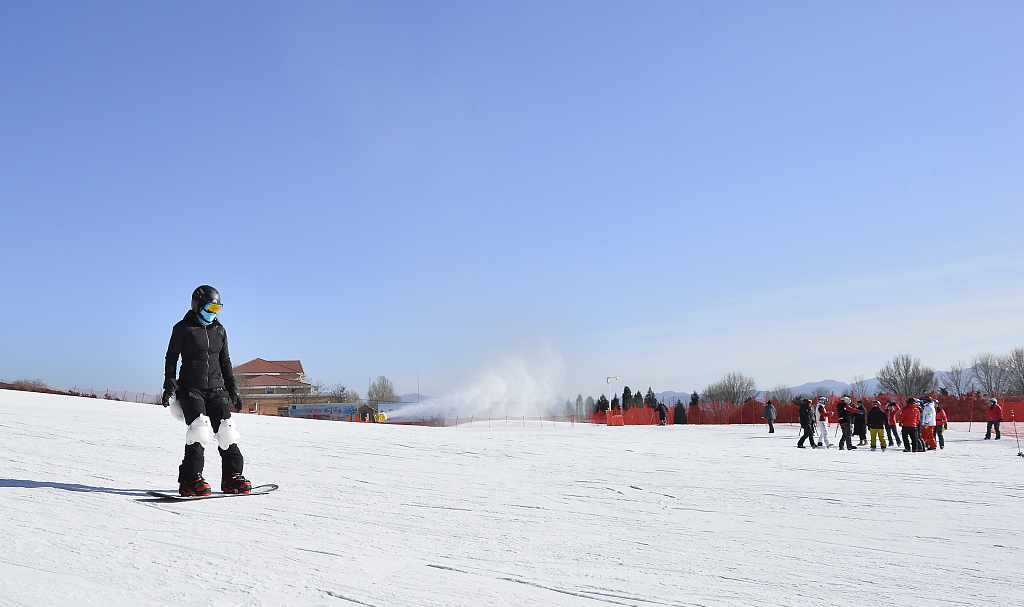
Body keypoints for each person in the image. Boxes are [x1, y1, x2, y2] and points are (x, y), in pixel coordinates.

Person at [163, 285, 252, 496]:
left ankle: (232, 478)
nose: (213, 314)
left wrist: (233, 390)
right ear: (197, 306)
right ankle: (190, 480)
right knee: (199, 431)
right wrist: (169, 386)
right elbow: (171, 358)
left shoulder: (219, 330)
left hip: (216, 388)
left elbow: (225, 362)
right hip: (191, 388)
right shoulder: (182, 328)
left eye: (217, 309)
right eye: (210, 308)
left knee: (227, 432)